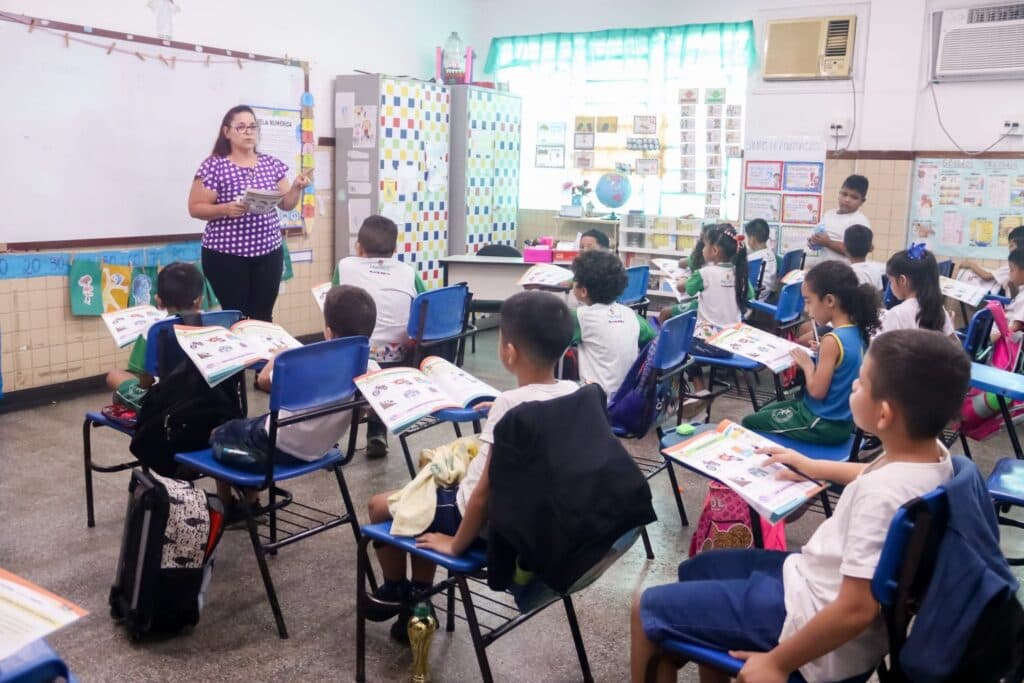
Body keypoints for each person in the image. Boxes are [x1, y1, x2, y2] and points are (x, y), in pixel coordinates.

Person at [631, 328, 969, 683]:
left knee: (645, 610)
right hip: (813, 588)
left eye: (859, 383)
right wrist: (809, 465)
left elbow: (856, 609)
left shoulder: (881, 496)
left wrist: (777, 662)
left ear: (884, 415)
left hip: (809, 622)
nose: (851, 386)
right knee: (700, 568)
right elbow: (869, 472)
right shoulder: (932, 458)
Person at [364, 291, 578, 639]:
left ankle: (399, 591)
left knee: (380, 507)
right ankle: (419, 596)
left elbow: (481, 494)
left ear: (508, 351)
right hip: (531, 519)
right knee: (425, 501)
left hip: (477, 520)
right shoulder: (572, 390)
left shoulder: (510, 404)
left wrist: (456, 545)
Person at [208, 285, 377, 518]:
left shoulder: (304, 364)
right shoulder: (370, 369)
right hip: (322, 449)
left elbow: (265, 381)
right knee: (257, 422)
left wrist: (278, 357)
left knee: (220, 432)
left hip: (275, 447)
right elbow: (360, 414)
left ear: (328, 331)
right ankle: (251, 497)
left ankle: (231, 507)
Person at [188, 105, 312, 321]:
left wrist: (296, 188)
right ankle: (242, 355)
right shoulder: (214, 165)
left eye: (253, 127)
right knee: (238, 316)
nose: (249, 132)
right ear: (227, 132)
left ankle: (264, 356)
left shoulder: (271, 164)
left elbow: (286, 204)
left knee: (263, 316)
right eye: (242, 127)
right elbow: (195, 207)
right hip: (226, 255)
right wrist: (224, 209)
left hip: (268, 252)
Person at [741, 261, 880, 444]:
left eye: (808, 301)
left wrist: (807, 364)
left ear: (830, 301)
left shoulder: (832, 341)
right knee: (766, 412)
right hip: (842, 420)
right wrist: (822, 353)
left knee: (749, 422)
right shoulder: (858, 331)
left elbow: (816, 391)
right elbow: (844, 364)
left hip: (821, 423)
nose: (806, 309)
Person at [334, 215, 426, 458]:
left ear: (358, 247)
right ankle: (377, 433)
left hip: (356, 359)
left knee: (336, 327)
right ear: (395, 249)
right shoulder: (408, 272)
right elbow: (425, 306)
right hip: (400, 359)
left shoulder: (345, 266)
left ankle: (331, 431)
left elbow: (333, 306)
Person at [105, 262, 204, 410]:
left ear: (159, 301)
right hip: (205, 397)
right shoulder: (214, 323)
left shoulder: (154, 329)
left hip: (164, 405)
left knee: (114, 375)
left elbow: (145, 381)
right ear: (199, 300)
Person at [570, 250, 656, 396]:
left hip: (595, 402)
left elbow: (550, 338)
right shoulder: (631, 315)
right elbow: (653, 339)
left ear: (583, 291)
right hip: (626, 398)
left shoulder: (579, 317)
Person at [881, 243, 956, 336]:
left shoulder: (897, 314)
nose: (890, 285)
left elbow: (882, 349)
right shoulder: (939, 310)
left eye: (890, 280)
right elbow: (954, 344)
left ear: (902, 280)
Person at [806, 174, 871, 263]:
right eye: (844, 194)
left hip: (845, 274)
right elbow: (819, 237)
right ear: (839, 194)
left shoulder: (860, 222)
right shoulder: (829, 214)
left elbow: (856, 252)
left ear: (862, 201)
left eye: (854, 197)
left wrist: (828, 243)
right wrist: (814, 241)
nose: (847, 199)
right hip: (824, 270)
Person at [957, 225, 1024, 296]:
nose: (1009, 249)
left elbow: (986, 276)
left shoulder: (1013, 266)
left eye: (1011, 246)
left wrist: (970, 264)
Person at [744, 218, 778, 300]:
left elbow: (747, 289)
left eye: (747, 237)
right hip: (766, 297)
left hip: (754, 302)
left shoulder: (753, 261)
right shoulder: (771, 255)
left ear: (752, 240)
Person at [844, 225, 885, 291]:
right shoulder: (876, 271)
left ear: (844, 247)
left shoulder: (845, 274)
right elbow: (880, 294)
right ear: (871, 248)